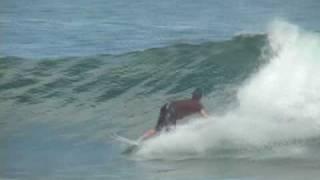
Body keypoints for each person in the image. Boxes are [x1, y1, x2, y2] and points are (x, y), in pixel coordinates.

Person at [141, 88, 208, 140]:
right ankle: (161, 144)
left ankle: (141, 140)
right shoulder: (198, 105)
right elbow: (205, 116)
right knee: (170, 130)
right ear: (200, 97)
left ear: (193, 95)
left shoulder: (188, 101)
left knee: (158, 129)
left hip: (166, 107)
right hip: (171, 111)